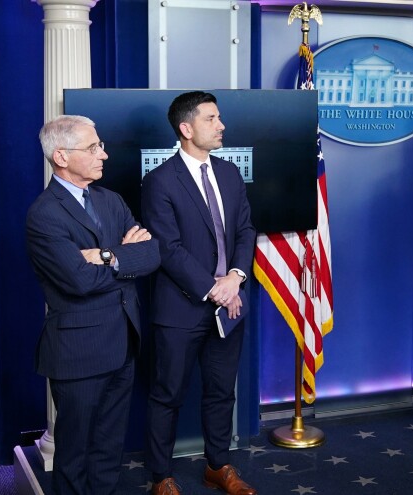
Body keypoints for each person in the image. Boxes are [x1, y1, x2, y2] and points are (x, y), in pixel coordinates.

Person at [26, 115, 160, 494]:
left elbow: (151, 255)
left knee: (108, 448)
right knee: (75, 451)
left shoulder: (111, 200)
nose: (104, 153)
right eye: (93, 147)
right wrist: (123, 255)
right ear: (62, 157)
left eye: (100, 145)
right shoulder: (44, 214)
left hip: (123, 343)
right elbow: (78, 281)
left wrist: (103, 256)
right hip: (79, 352)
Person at [141, 91, 257, 495]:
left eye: (219, 117)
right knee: (167, 395)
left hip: (231, 304)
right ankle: (161, 476)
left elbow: (245, 230)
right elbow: (167, 249)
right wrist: (215, 288)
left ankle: (218, 466)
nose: (221, 125)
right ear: (186, 129)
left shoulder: (228, 173)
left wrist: (236, 276)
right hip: (181, 309)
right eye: (212, 119)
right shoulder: (159, 181)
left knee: (222, 391)